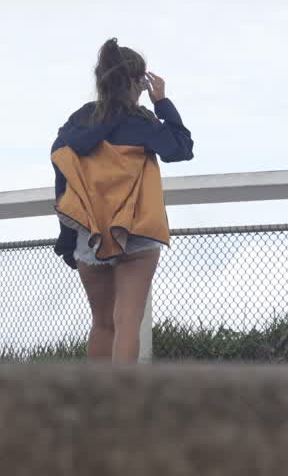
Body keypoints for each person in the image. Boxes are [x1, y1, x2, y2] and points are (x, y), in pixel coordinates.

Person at [50, 38, 195, 363]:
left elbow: (61, 166)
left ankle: (98, 406)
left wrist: (68, 234)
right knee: (127, 323)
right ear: (137, 83)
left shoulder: (78, 122)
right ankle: (123, 405)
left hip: (91, 233)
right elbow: (181, 148)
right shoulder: (142, 122)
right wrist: (162, 101)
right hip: (137, 231)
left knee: (101, 325)